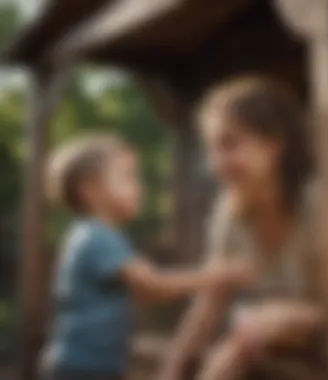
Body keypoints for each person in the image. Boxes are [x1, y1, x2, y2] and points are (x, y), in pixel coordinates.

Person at [39, 134, 254, 380]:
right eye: (127, 177)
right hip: (82, 368)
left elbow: (150, 294)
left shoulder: (99, 236)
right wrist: (220, 275)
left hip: (95, 365)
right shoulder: (97, 238)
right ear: (90, 189)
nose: (138, 186)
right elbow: (155, 284)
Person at [159, 77, 323, 380]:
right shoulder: (230, 214)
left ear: (274, 146)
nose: (215, 164)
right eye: (211, 149)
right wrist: (170, 371)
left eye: (229, 144)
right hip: (268, 359)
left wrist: (301, 317)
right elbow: (209, 302)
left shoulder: (322, 206)